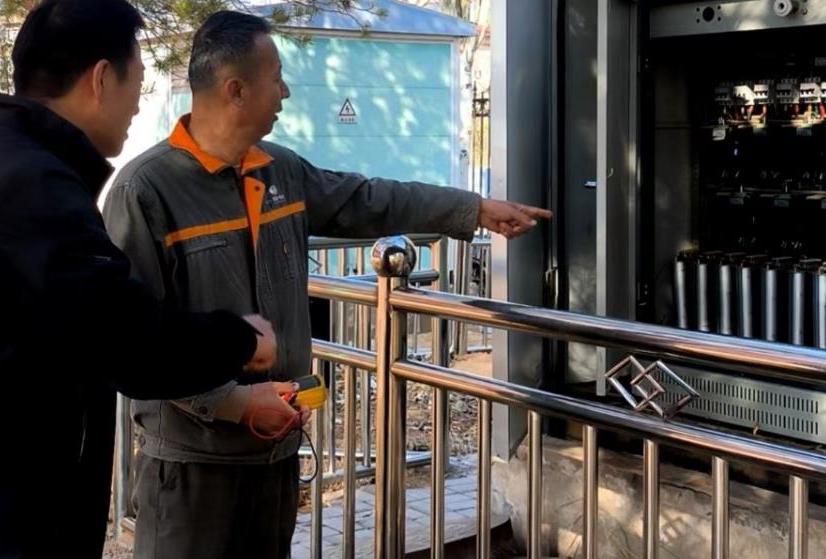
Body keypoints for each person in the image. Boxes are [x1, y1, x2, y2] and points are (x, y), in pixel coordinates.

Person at [102, 10, 552, 559]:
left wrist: (473, 208)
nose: (286, 91)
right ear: (235, 90)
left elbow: (370, 199)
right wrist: (235, 403)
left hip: (275, 457)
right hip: (192, 471)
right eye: (276, 78)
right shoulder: (146, 192)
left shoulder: (281, 171)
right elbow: (131, 340)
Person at [0, 2, 279, 558]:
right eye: (138, 80)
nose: (138, 102)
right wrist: (242, 339)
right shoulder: (31, 187)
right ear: (101, 79)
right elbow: (127, 341)